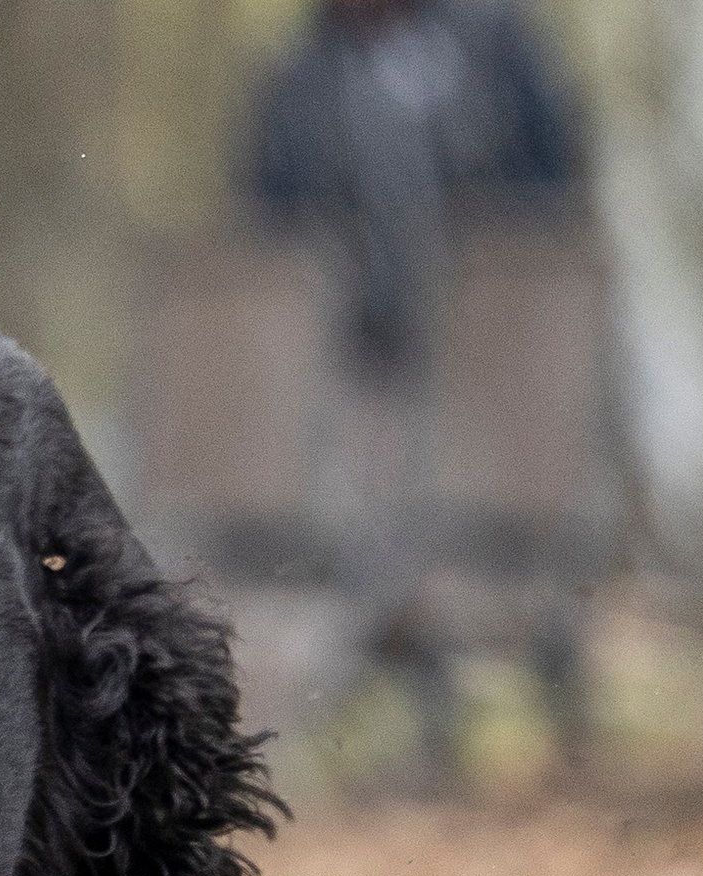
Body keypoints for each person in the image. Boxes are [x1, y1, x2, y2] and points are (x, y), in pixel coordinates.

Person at [247, 0, 586, 787]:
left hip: (502, 362)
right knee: (378, 512)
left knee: (513, 522)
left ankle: (557, 702)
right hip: (363, 367)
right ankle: (421, 717)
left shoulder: (497, 47)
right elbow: (269, 223)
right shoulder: (298, 82)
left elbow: (558, 179)